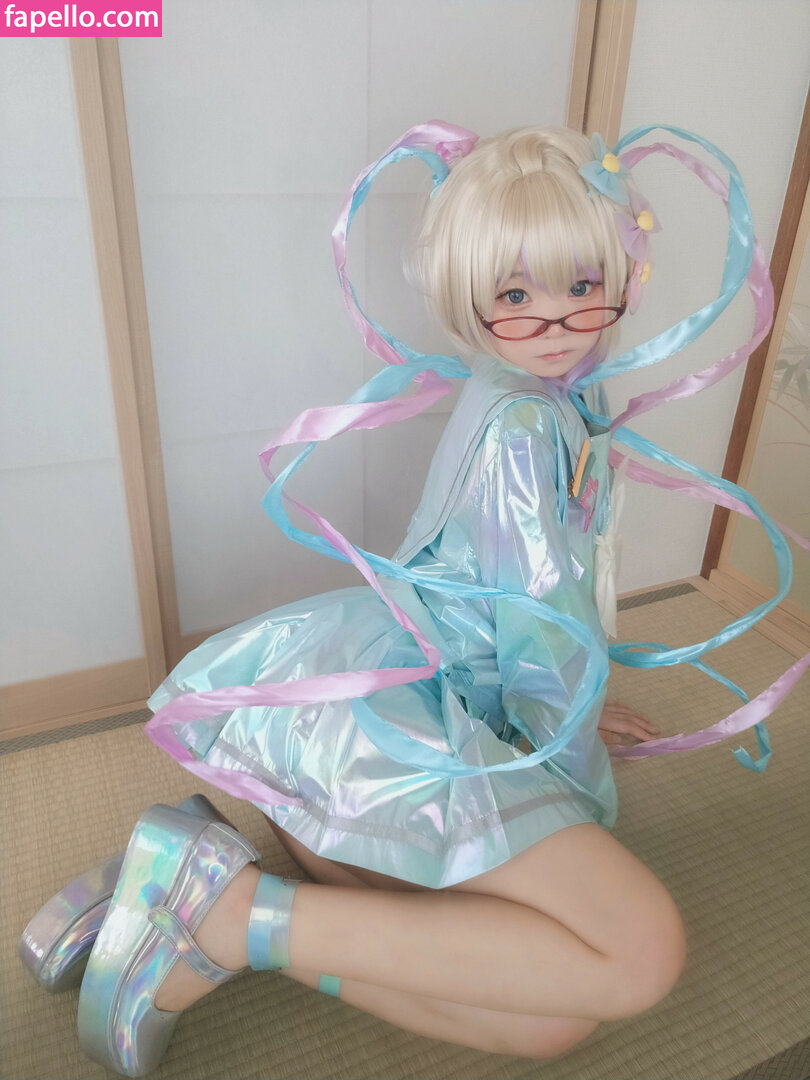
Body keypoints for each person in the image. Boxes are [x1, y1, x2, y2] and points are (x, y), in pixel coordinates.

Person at [30, 119, 775, 1075]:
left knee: (547, 1021)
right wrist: (570, 740)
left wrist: (576, 706)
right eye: (516, 295)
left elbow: (536, 612)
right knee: (636, 957)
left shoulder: (532, 392)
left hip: (383, 731)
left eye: (581, 285)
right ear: (469, 299)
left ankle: (193, 883)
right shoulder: (524, 424)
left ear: (623, 273)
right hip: (412, 726)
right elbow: (540, 625)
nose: (554, 320)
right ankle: (225, 915)